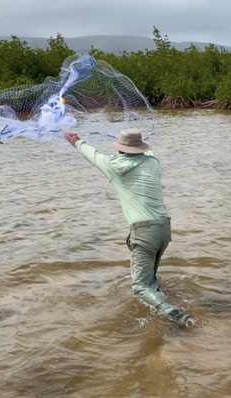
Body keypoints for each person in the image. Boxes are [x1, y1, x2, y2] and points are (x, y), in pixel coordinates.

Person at [64, 129, 195, 328]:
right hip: (164, 228)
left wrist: (77, 141)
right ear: (141, 148)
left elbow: (94, 156)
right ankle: (160, 310)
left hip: (144, 232)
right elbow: (147, 152)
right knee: (151, 279)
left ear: (121, 150)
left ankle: (175, 315)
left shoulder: (115, 166)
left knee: (141, 287)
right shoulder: (153, 161)